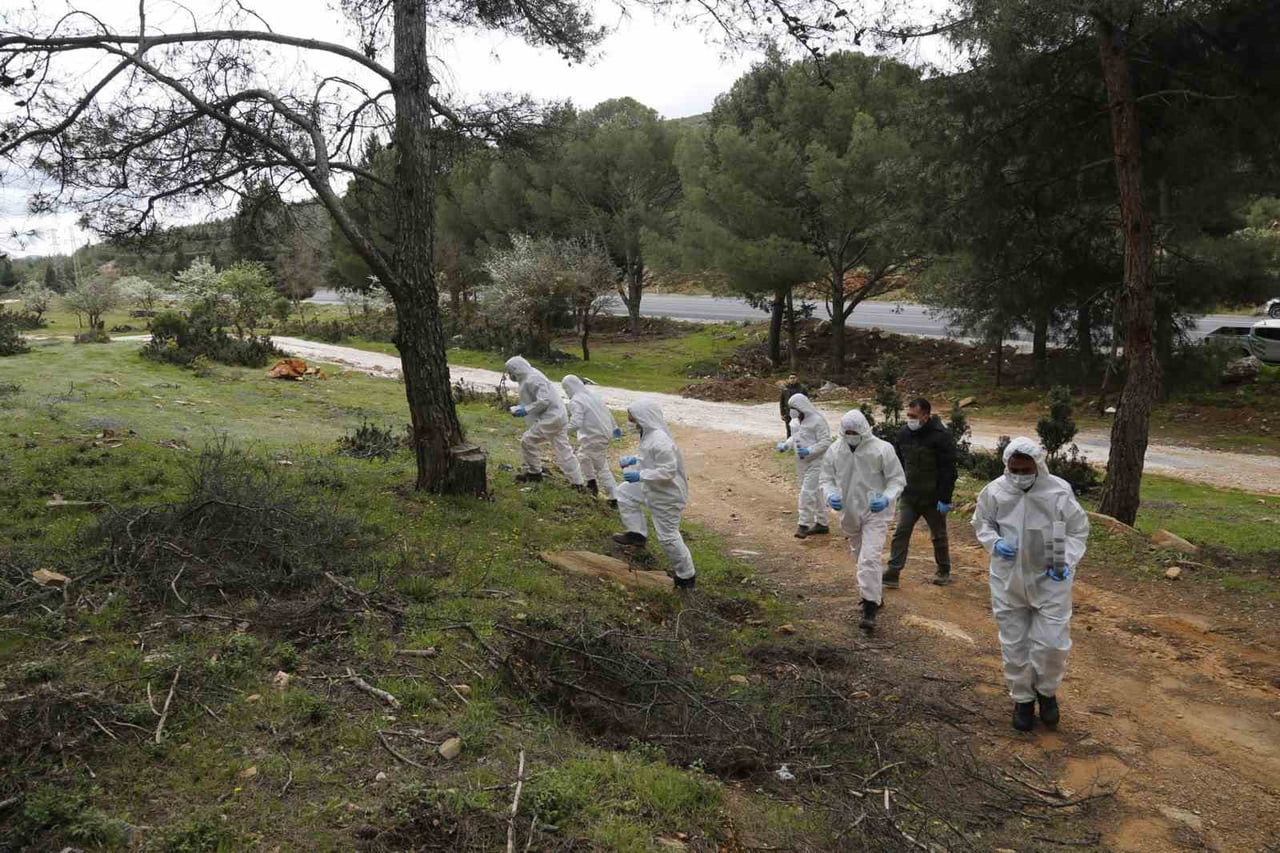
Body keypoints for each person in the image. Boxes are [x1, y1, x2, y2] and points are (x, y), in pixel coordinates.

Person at [972, 437, 1089, 732]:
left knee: (1052, 643)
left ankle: (1046, 693)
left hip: (1050, 577)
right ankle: (1022, 699)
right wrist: (994, 542)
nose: (1020, 475)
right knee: (1014, 643)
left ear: (1038, 466)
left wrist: (1066, 561)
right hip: (1008, 577)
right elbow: (982, 522)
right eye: (1015, 469)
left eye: (1026, 470)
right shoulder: (995, 491)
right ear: (1006, 466)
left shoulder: (1058, 491)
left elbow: (1077, 530)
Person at [819, 410, 906, 632]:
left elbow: (897, 480)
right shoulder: (835, 450)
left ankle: (869, 608)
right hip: (849, 513)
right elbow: (826, 479)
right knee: (861, 557)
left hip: (875, 512)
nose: (851, 436)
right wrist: (830, 495)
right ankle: (875, 595)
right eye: (847, 432)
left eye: (854, 432)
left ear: (864, 430)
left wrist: (887, 498)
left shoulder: (882, 449)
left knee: (869, 558)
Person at [612, 399, 696, 590]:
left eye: (632, 418)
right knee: (624, 492)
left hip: (667, 494)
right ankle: (636, 534)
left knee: (668, 537)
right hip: (653, 487)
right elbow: (650, 459)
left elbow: (667, 472)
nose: (629, 422)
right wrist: (635, 459)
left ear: (644, 418)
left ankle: (686, 577)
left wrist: (640, 474)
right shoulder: (649, 434)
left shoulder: (660, 440)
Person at [886, 397, 958, 587]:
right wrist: (895, 486)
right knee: (901, 532)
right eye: (908, 415)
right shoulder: (903, 434)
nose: (910, 419)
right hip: (910, 495)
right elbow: (898, 463)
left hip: (933, 498)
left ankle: (943, 570)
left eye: (914, 416)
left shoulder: (940, 436)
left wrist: (945, 498)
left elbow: (948, 470)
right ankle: (893, 572)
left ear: (925, 416)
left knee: (938, 535)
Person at [504, 356, 586, 488]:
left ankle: (534, 473)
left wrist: (526, 410)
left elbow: (544, 400)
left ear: (516, 369)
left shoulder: (533, 378)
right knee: (564, 450)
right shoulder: (529, 376)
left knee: (527, 440)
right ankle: (578, 482)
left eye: (510, 372)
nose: (510, 376)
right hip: (556, 417)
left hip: (551, 418)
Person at [776, 393, 834, 539]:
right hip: (801, 462)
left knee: (806, 492)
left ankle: (803, 524)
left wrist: (810, 450)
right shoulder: (795, 422)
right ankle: (822, 523)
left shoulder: (817, 421)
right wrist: (786, 445)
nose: (791, 411)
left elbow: (826, 441)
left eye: (793, 407)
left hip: (817, 462)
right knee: (815, 492)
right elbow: (795, 437)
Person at [561, 374, 622, 506]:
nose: (566, 392)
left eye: (566, 389)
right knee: (583, 456)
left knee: (601, 466)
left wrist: (562, 432)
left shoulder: (576, 401)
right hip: (602, 434)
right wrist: (615, 426)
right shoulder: (593, 395)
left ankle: (614, 497)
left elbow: (576, 423)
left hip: (593, 437)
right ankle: (591, 484)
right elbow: (607, 412)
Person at [778, 374, 808, 439]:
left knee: (800, 429)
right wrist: (782, 413)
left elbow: (806, 401)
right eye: (791, 378)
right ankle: (789, 444)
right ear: (788, 379)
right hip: (788, 413)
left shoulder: (802, 389)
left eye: (794, 378)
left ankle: (800, 444)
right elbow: (782, 402)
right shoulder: (785, 389)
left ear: (797, 379)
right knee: (789, 429)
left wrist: (806, 412)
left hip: (800, 412)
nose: (792, 379)